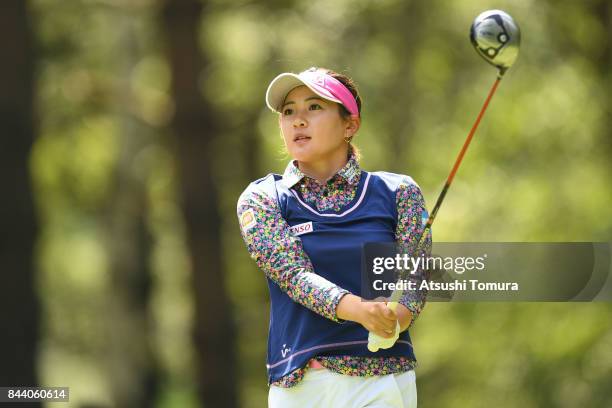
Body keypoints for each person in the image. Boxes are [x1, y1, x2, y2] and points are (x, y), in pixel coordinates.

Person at [237, 67, 431, 407]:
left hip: (382, 378)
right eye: (288, 111)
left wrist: (398, 317)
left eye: (313, 107)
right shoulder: (262, 198)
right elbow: (293, 275)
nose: (298, 120)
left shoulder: (397, 192)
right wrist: (358, 309)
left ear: (349, 125)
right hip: (301, 384)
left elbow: (418, 274)